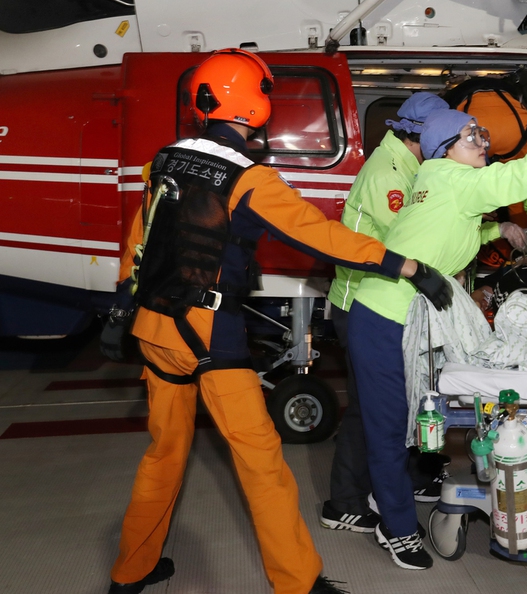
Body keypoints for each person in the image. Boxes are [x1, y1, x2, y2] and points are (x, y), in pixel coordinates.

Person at [106, 49, 451, 594]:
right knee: (262, 465)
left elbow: (140, 241)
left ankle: (132, 571)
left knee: (162, 456)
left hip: (155, 330)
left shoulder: (163, 160)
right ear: (252, 104)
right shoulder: (250, 180)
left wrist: (124, 301)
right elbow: (321, 235)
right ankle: (298, 583)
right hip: (211, 339)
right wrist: (405, 265)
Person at [347, 102, 527, 570]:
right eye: (471, 136)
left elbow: (455, 230)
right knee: (389, 426)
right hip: (383, 315)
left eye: (482, 136)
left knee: (401, 420)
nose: (483, 143)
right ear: (444, 148)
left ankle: (385, 498)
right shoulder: (454, 179)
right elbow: (523, 178)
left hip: (396, 311)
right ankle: (395, 527)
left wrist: (502, 227)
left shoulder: (439, 181)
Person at [323, 92, 451, 534]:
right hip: (363, 302)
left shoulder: (409, 165)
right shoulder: (388, 175)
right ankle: (343, 502)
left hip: (381, 301)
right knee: (368, 410)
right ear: (422, 135)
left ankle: (400, 480)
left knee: (388, 404)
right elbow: (399, 245)